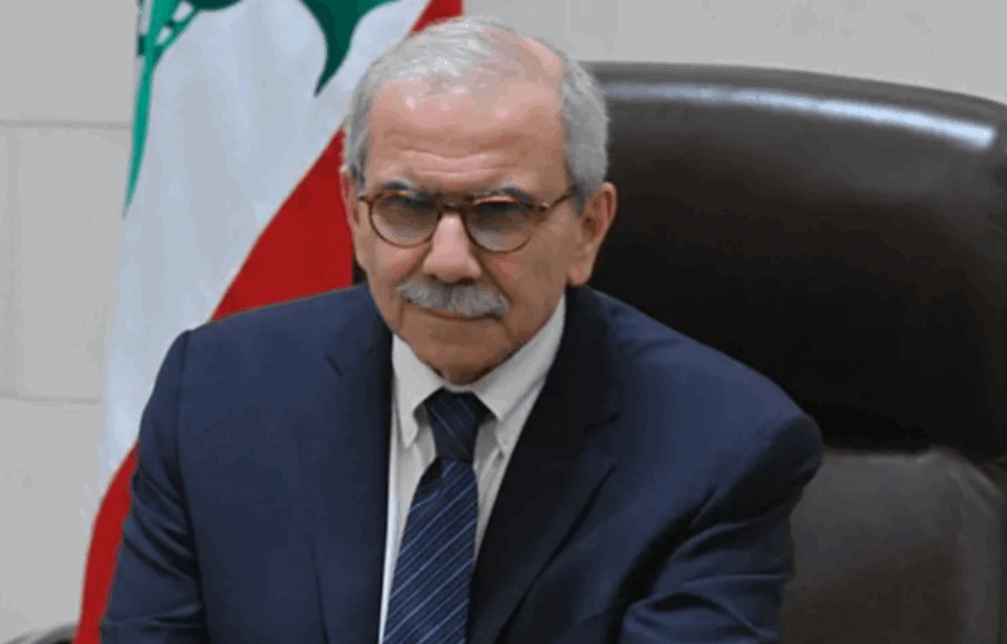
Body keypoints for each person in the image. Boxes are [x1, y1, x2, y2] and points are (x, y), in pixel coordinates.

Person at [102, 16, 822, 644]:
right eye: (406, 207)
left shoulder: (721, 446)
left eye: (499, 213)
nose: (447, 261)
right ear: (354, 213)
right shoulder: (216, 393)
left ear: (588, 228)